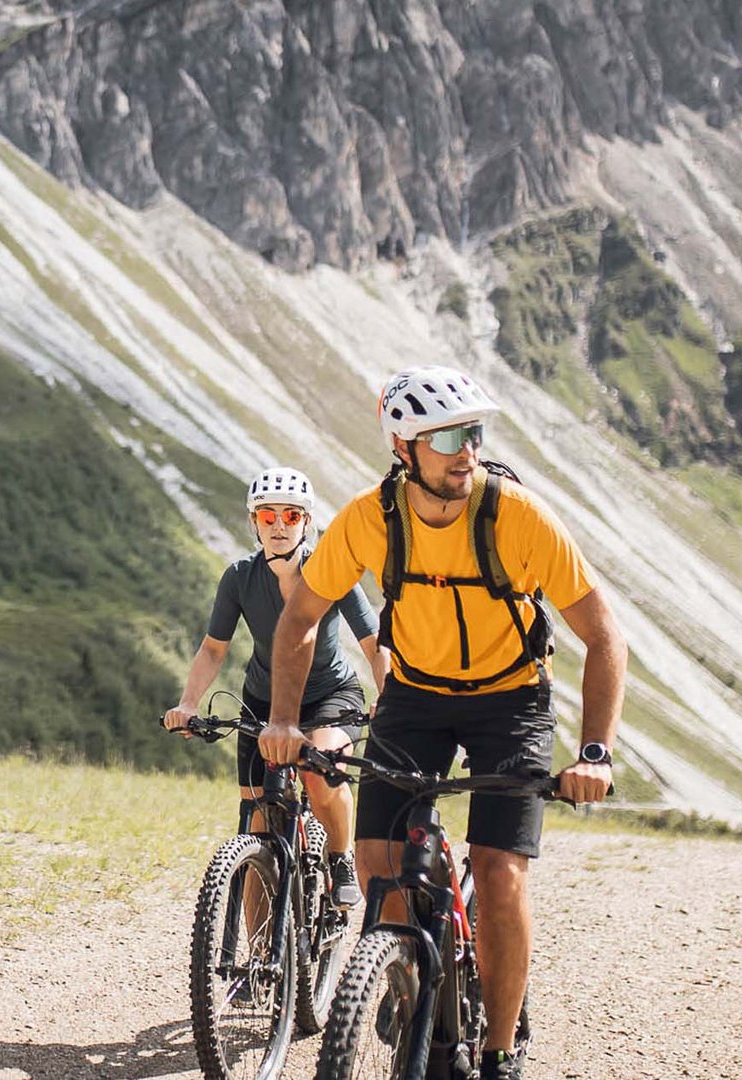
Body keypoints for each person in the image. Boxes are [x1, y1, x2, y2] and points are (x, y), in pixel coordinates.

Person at [262, 366, 626, 1080]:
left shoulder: (516, 514)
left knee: (497, 872)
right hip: (417, 696)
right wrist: (281, 719)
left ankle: (496, 1052)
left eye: (475, 434)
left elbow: (604, 632)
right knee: (377, 862)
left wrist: (594, 752)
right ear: (405, 448)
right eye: (450, 437)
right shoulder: (371, 519)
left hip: (512, 699)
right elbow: (301, 617)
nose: (468, 451)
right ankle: (405, 974)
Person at [165, 466, 385, 906]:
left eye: (290, 516)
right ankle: (261, 962)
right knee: (257, 828)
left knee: (318, 770)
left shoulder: (331, 569)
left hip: (330, 696)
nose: (279, 526)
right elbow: (213, 649)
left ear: (307, 521)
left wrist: (390, 697)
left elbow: (373, 641)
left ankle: (340, 856)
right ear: (254, 522)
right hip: (261, 701)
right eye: (268, 517)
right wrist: (188, 703)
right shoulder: (240, 578)